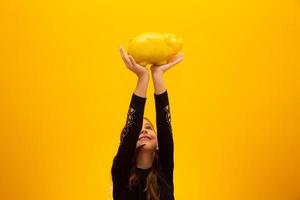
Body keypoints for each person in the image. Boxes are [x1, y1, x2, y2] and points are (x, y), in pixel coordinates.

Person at [111, 45, 184, 200]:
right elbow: (132, 130)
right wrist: (143, 78)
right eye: (140, 129)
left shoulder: (164, 170)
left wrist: (158, 76)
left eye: (149, 128)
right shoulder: (121, 172)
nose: (143, 131)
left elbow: (165, 128)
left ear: (158, 144)